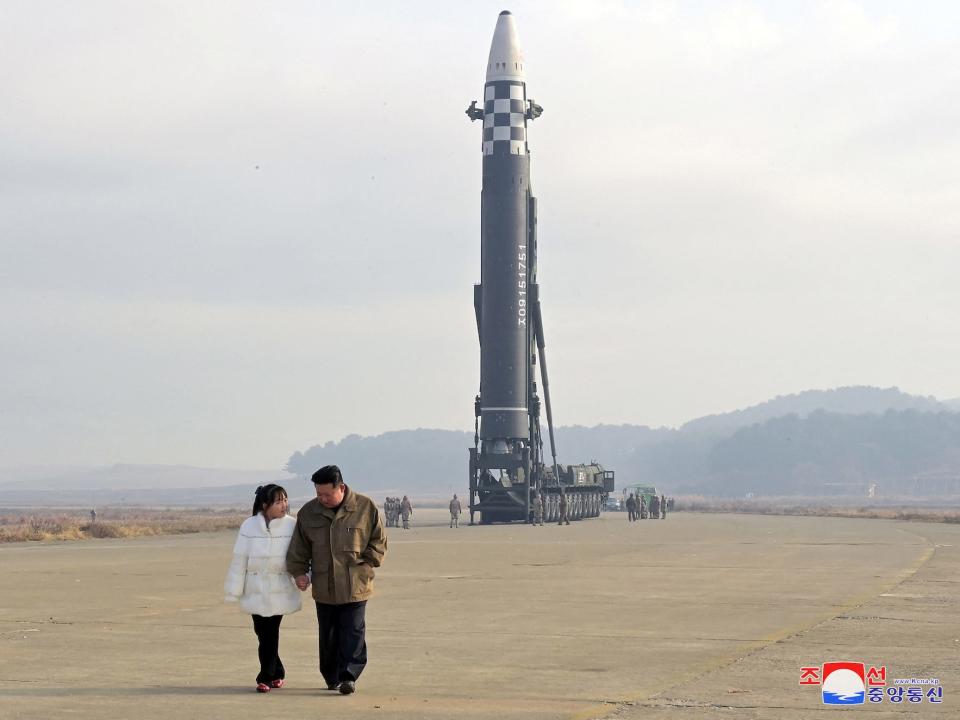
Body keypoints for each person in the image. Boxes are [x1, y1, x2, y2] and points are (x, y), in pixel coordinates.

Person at [287, 465, 387, 695]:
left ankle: (348, 676)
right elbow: (299, 548)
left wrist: (367, 564)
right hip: (324, 585)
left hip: (355, 583)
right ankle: (331, 676)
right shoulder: (309, 513)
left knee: (353, 631)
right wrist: (299, 572)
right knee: (329, 634)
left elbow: (378, 540)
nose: (322, 498)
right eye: (318, 494)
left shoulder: (365, 507)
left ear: (341, 487)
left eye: (326, 494)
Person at [224, 484, 301, 693]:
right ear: (265, 505)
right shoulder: (248, 526)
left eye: (285, 500)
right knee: (261, 631)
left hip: (279, 588)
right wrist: (234, 590)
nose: (284, 505)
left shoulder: (292, 526)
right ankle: (278, 671)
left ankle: (265, 676)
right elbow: (240, 560)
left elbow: (299, 557)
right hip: (254, 589)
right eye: (278, 501)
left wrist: (302, 577)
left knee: (270, 632)